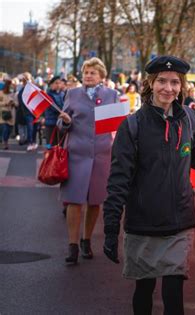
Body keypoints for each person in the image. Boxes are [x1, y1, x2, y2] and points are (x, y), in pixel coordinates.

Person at [102, 55, 195, 315]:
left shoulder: (190, 119)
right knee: (144, 289)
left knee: (173, 292)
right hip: (143, 223)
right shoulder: (132, 126)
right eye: (161, 81)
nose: (168, 88)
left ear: (181, 86)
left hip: (179, 221)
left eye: (174, 82)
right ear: (150, 83)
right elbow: (118, 181)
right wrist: (111, 228)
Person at [57, 57, 119, 265]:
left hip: (102, 155)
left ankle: (86, 240)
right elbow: (60, 123)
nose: (88, 75)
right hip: (77, 154)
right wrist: (65, 122)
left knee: (94, 201)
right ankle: (72, 246)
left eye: (92, 72)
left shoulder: (112, 95)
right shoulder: (72, 93)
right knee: (74, 200)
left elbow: (116, 124)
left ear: (101, 76)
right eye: (86, 72)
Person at [44, 76, 65, 147]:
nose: (58, 85)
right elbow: (55, 108)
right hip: (51, 123)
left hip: (60, 123)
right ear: (51, 84)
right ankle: (49, 157)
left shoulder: (62, 94)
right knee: (50, 145)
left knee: (60, 146)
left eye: (59, 83)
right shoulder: (48, 95)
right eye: (56, 83)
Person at [0, 80, 16, 150]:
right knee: (5, 129)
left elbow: (16, 103)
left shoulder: (12, 94)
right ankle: (5, 143)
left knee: (9, 129)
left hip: (10, 115)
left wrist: (13, 103)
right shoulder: (1, 93)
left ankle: (5, 140)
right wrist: (5, 104)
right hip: (2, 114)